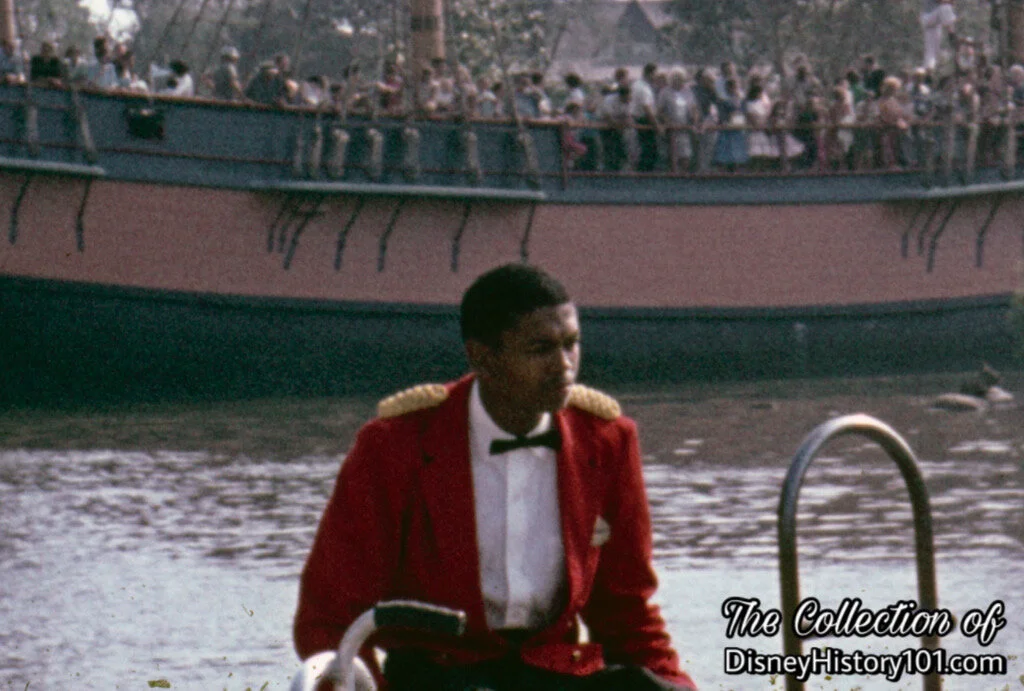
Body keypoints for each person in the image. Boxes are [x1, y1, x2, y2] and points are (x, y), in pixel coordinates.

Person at [294, 263, 698, 691]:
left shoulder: (607, 440)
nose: (564, 365)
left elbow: (626, 610)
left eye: (571, 344)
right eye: (541, 349)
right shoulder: (397, 444)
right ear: (482, 357)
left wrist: (676, 685)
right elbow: (330, 615)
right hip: (440, 676)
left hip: (553, 674)